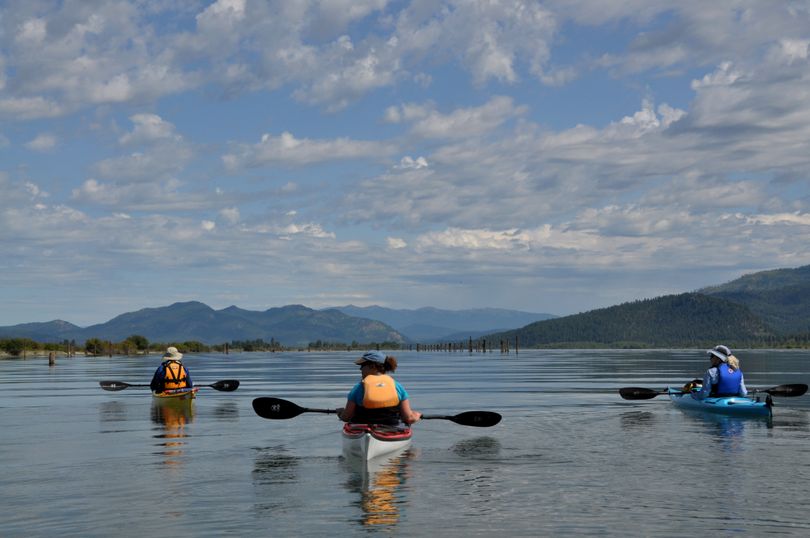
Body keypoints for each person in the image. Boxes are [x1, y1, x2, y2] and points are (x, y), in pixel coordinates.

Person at [338, 350, 421, 426]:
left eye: (362, 365)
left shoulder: (358, 388)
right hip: (391, 429)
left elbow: (346, 417)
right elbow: (409, 418)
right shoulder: (398, 387)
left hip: (362, 429)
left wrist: (341, 413)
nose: (360, 369)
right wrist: (417, 415)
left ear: (373, 366)